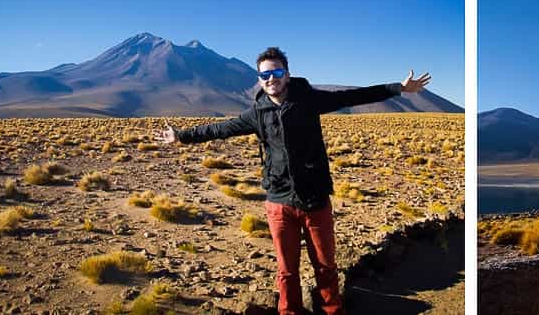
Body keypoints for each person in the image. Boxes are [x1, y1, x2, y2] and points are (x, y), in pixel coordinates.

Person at [156, 46, 432, 315]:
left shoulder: (308, 100)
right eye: (265, 75)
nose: (271, 79)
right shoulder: (258, 113)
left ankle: (332, 310)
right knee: (286, 270)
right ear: (259, 80)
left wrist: (398, 88)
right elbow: (220, 128)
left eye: (276, 73)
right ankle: (289, 311)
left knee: (325, 265)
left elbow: (352, 97)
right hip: (279, 203)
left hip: (314, 200)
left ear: (287, 74)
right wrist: (181, 136)